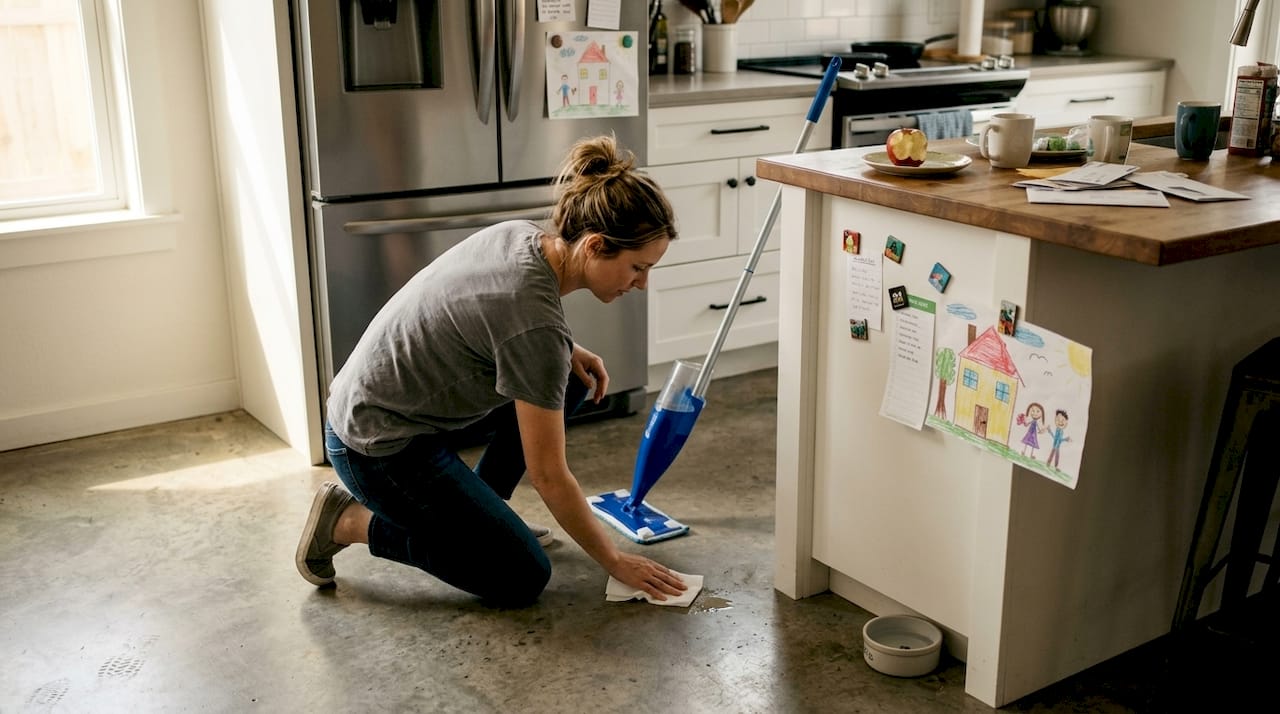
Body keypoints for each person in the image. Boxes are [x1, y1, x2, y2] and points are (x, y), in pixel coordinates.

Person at [295, 135, 687, 607]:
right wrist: (615, 561)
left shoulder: (521, 236)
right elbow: (550, 475)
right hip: (376, 447)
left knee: (567, 380)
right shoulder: (535, 328)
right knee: (518, 574)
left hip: (376, 407)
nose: (641, 284)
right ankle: (346, 520)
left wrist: (565, 348)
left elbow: (492, 316)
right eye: (637, 268)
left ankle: (485, 517)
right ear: (596, 245)